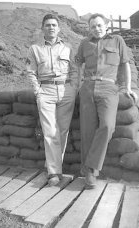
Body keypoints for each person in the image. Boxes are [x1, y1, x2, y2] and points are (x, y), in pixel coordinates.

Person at [75, 13, 138, 189]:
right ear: (89, 28)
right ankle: (90, 175)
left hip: (109, 88)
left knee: (108, 126)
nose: (97, 28)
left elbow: (125, 64)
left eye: (99, 25)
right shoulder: (84, 43)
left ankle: (90, 165)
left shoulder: (117, 40)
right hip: (87, 88)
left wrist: (128, 88)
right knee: (87, 131)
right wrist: (77, 84)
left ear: (106, 25)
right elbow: (77, 64)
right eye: (93, 26)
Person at [26, 14, 78, 186]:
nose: (51, 27)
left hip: (66, 91)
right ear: (42, 28)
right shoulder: (35, 48)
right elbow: (31, 71)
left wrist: (74, 88)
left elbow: (75, 70)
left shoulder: (68, 47)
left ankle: (53, 165)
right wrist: (38, 92)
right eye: (47, 25)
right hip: (46, 91)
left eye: (54, 25)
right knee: (50, 132)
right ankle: (54, 172)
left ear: (59, 28)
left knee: (62, 131)